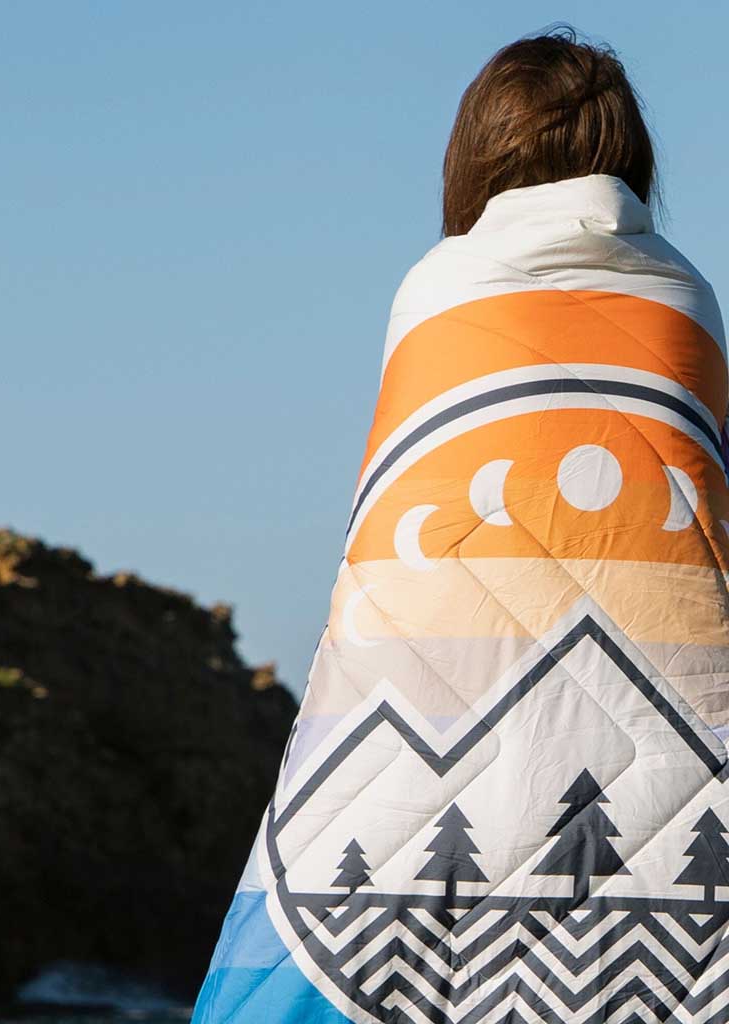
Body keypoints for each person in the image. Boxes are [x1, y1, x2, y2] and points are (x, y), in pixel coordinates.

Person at [192, 27, 729, 1024]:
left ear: (476, 156)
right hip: (682, 724)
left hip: (423, 713)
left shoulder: (437, 288)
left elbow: (396, 526)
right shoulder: (685, 295)